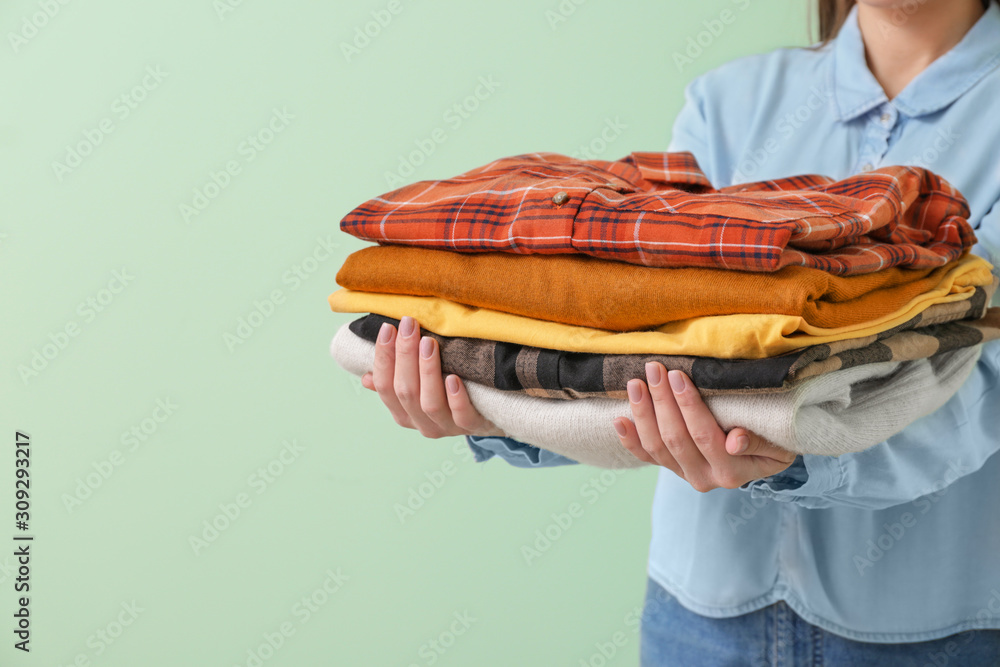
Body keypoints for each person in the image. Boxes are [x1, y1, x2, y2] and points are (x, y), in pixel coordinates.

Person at [358, 0, 1000, 663]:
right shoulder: (728, 101)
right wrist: (491, 401)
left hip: (935, 634)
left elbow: (987, 383)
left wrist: (800, 452)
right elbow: (633, 346)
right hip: (697, 621)